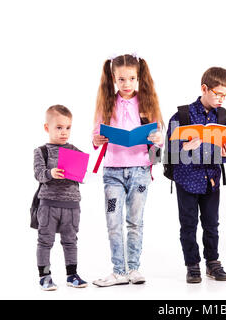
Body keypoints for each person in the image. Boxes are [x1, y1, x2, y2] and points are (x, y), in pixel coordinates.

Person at [92, 54, 164, 286]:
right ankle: (119, 271)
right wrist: (98, 138)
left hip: (140, 171)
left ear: (138, 77)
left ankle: (133, 268)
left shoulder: (147, 102)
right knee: (113, 222)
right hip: (112, 171)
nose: (126, 84)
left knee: (135, 221)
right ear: (113, 78)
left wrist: (157, 138)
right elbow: (95, 136)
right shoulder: (106, 103)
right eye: (121, 79)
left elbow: (159, 139)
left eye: (132, 78)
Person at [166, 67, 226, 283]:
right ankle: (192, 264)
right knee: (188, 224)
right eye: (218, 93)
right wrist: (185, 148)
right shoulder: (182, 115)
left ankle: (212, 262)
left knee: (212, 223)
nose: (222, 99)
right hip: (186, 180)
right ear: (204, 88)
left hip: (211, 180)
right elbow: (164, 153)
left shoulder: (222, 116)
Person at [33, 105, 88, 291]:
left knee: (71, 241)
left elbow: (84, 173)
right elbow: (39, 174)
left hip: (72, 205)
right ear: (47, 128)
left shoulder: (75, 150)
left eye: (68, 127)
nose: (64, 132)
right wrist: (50, 173)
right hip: (48, 205)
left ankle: (72, 275)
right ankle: (45, 276)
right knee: (45, 241)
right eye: (59, 127)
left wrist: (82, 172)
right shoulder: (42, 151)